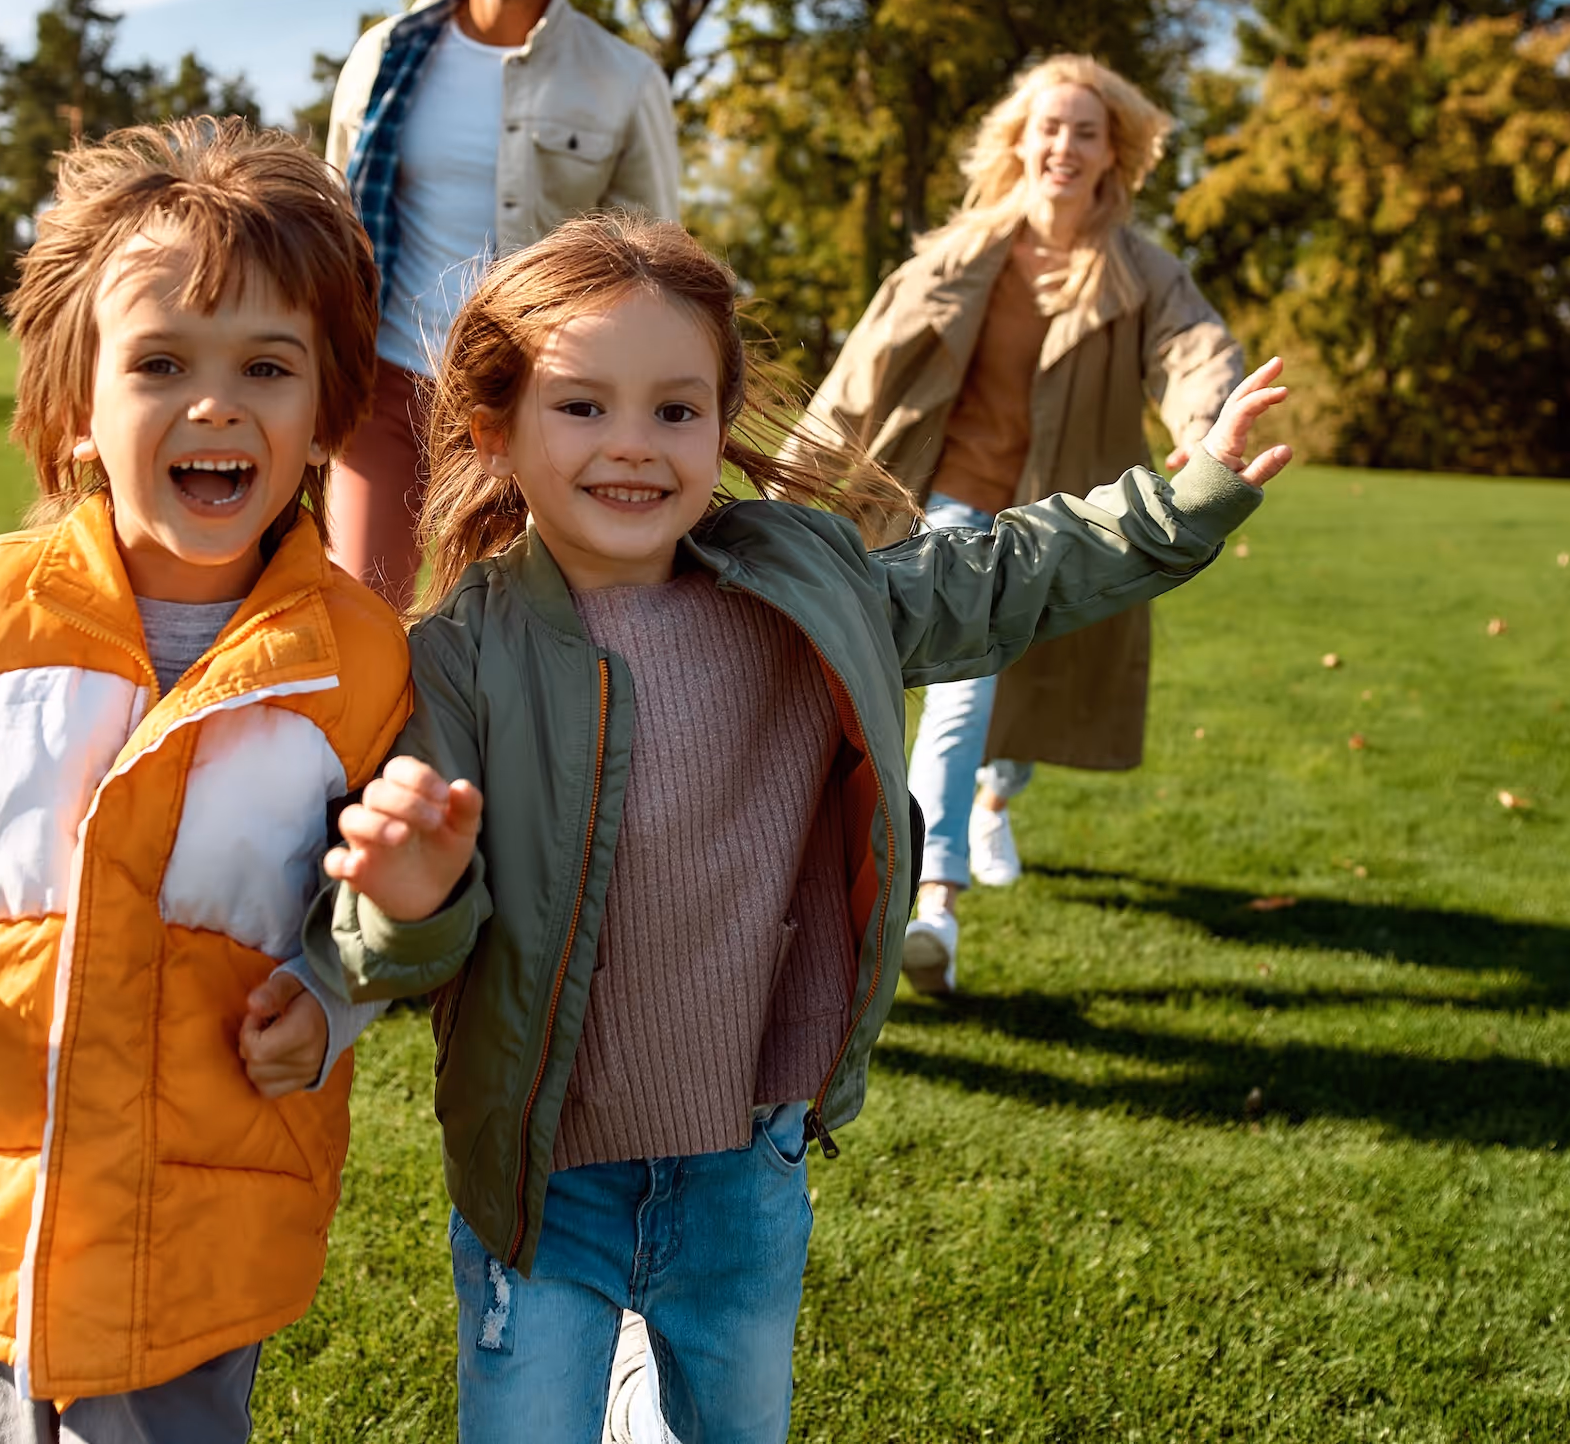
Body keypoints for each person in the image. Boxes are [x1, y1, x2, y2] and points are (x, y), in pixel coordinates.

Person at [303, 214, 1291, 1442]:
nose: (634, 446)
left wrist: (1187, 499)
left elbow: (1000, 571)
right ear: (496, 427)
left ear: (723, 426)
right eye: (582, 407)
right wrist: (410, 888)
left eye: (675, 410)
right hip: (546, 1187)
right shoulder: (456, 659)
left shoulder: (808, 583)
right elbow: (396, 951)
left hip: (746, 1166)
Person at [0, 120, 409, 1443]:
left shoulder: (361, 659)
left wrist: (332, 998)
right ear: (76, 401)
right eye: (161, 362)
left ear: (325, 408)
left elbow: (397, 918)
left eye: (266, 367)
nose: (216, 405)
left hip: (203, 1196)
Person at [801, 53, 1246, 996]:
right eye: (1050, 126)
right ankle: (934, 907)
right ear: (1021, 141)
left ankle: (1000, 791)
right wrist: (795, 476)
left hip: (1062, 511)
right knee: (965, 690)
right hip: (946, 501)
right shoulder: (954, 259)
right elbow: (858, 377)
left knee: (1018, 695)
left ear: (1113, 152)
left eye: (1087, 131)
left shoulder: (1140, 270)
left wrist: (1206, 431)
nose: (1065, 145)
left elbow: (1196, 349)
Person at [322, 0, 682, 609]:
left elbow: (657, 261)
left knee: (508, 632)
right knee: (358, 612)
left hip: (531, 394)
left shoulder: (623, 81)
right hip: (386, 379)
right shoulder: (384, 56)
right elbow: (331, 220)